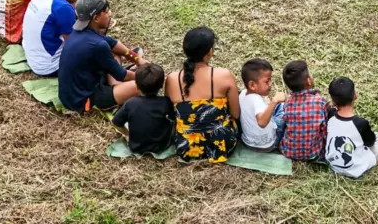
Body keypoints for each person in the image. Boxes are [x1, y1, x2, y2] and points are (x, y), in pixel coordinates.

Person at [166, 27, 241, 163]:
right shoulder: (223, 75)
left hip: (186, 147)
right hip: (222, 146)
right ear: (210, 51)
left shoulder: (172, 79)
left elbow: (171, 113)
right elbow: (235, 114)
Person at [59, 0, 144, 113]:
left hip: (76, 90)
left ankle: (118, 86)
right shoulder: (98, 45)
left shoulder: (80, 32)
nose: (109, 14)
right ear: (96, 18)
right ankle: (119, 89)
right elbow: (122, 75)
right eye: (106, 11)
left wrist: (136, 59)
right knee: (139, 86)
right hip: (83, 101)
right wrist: (147, 76)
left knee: (115, 52)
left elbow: (113, 43)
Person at [22, 0, 84, 76]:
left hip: (34, 57)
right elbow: (73, 45)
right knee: (99, 50)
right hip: (50, 66)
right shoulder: (62, 7)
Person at [326, 77, 378, 178]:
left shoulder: (330, 115)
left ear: (333, 102)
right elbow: (370, 143)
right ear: (355, 96)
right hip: (354, 167)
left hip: (334, 165)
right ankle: (370, 164)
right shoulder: (360, 123)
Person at [112, 64, 176, 156]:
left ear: (137, 86)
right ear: (161, 86)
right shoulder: (166, 102)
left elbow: (116, 123)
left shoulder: (130, 103)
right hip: (161, 146)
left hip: (136, 147)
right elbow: (173, 120)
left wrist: (127, 134)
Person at [278, 60, 330, 161]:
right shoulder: (321, 102)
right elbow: (324, 130)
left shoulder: (287, 103)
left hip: (287, 151)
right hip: (313, 153)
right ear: (309, 81)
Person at [238, 58, 287, 152]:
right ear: (252, 85)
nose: (270, 84)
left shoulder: (243, 94)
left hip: (249, 142)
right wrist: (274, 101)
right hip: (267, 145)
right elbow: (262, 122)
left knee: (276, 108)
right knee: (283, 109)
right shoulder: (256, 100)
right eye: (267, 81)